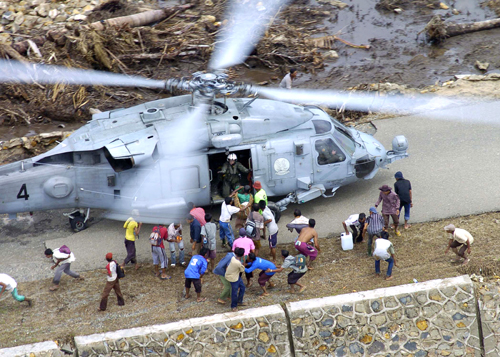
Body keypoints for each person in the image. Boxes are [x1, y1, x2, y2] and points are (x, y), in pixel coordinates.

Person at [225, 247, 247, 311]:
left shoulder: (233, 258)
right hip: (233, 278)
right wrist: (244, 261)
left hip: (235, 275)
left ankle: (239, 301)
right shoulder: (238, 263)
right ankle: (233, 306)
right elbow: (242, 270)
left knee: (242, 287)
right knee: (234, 292)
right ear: (242, 255)